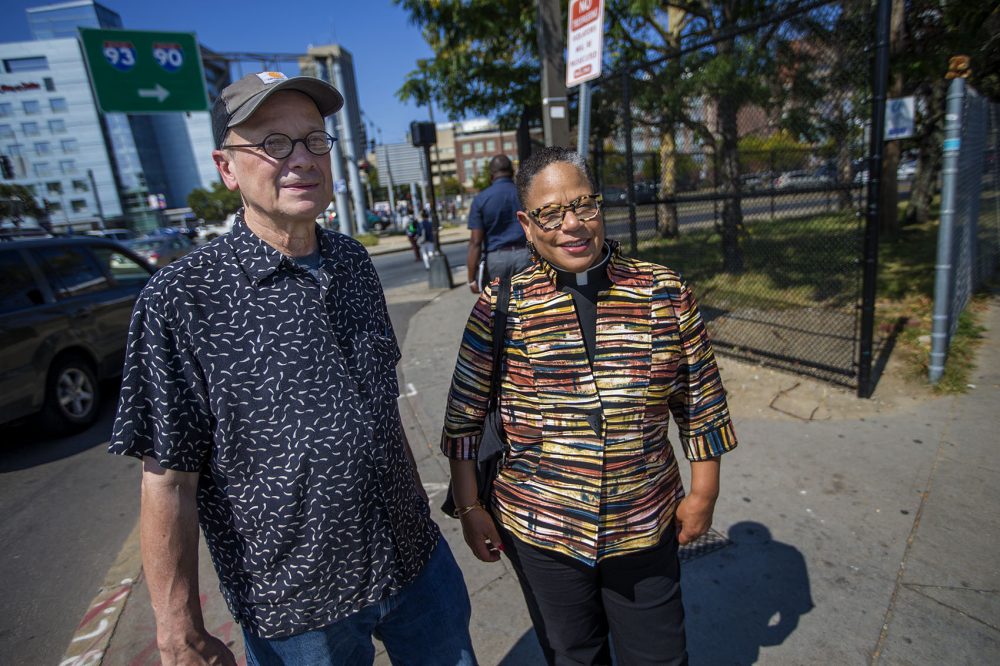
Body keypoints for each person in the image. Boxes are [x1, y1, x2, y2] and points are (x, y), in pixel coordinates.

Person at [109, 71, 476, 666]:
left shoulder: (356, 263)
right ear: (227, 168)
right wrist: (178, 630)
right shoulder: (182, 299)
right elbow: (168, 479)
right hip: (297, 606)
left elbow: (382, 413)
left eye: (314, 140)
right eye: (273, 143)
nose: (301, 159)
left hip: (413, 562)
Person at [441, 146, 738, 665]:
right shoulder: (501, 301)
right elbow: (464, 415)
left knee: (661, 655)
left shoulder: (663, 292)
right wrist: (470, 508)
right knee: (573, 655)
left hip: (645, 519)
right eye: (550, 213)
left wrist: (704, 493)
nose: (572, 225)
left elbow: (701, 402)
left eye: (584, 205)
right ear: (526, 225)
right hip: (541, 529)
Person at [465, 154, 530, 294]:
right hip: (526, 255)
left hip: (496, 259)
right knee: (528, 305)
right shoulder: (525, 194)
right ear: (512, 172)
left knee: (500, 307)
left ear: (491, 175)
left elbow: (475, 242)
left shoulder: (481, 199)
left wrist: (471, 278)